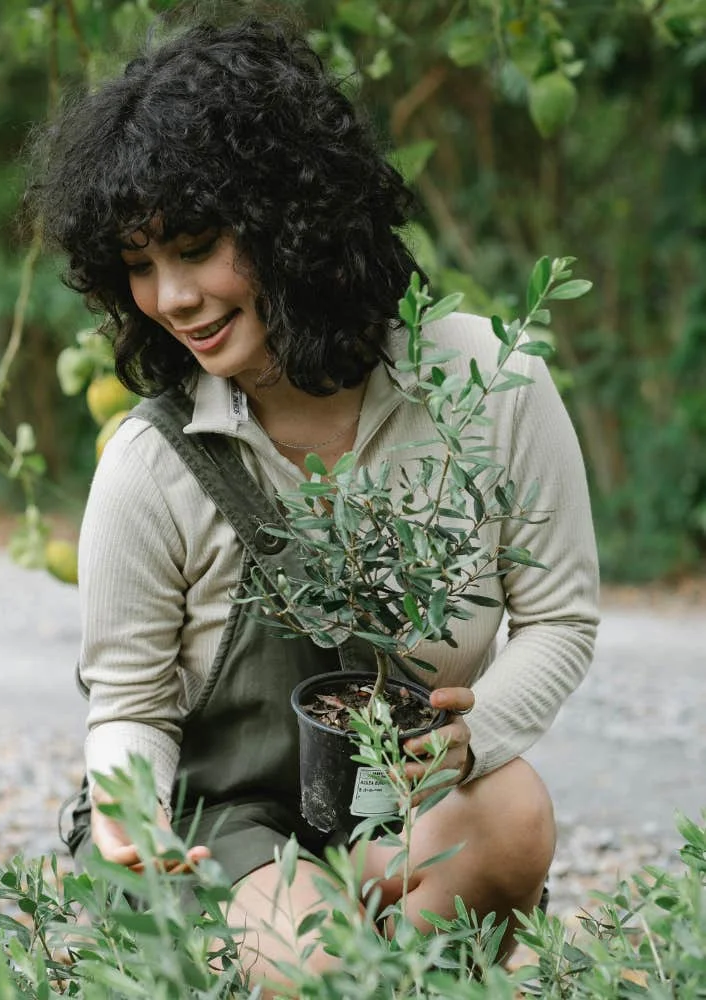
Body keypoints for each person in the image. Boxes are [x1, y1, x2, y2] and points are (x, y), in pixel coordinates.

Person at [31, 15, 599, 993]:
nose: (169, 296)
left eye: (198, 247)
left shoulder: (486, 384)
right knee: (316, 963)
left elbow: (557, 615)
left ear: (294, 218)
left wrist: (478, 734)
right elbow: (130, 704)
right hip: (221, 824)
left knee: (509, 813)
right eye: (137, 264)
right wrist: (129, 812)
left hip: (396, 801)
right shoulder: (151, 462)